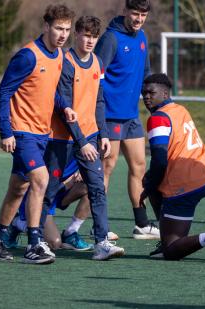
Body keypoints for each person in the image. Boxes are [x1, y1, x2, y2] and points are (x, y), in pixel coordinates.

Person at [0, 4, 77, 264]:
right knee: (40, 179)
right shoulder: (28, 56)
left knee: (19, 188)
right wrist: (5, 132)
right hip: (22, 131)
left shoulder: (60, 55)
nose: (63, 34)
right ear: (46, 27)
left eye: (67, 29)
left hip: (42, 132)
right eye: (58, 28)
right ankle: (33, 244)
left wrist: (65, 106)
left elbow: (49, 88)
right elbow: (4, 92)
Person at [46, 15, 124, 260]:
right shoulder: (66, 62)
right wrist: (82, 142)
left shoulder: (98, 62)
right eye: (86, 35)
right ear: (76, 34)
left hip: (89, 136)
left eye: (94, 36)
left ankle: (101, 242)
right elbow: (65, 107)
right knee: (46, 191)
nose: (90, 41)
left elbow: (99, 101)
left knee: (97, 188)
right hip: (63, 139)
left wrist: (103, 134)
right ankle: (25, 231)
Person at [139, 73, 205, 263]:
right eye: (144, 93)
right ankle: (167, 233)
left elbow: (159, 159)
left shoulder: (157, 118)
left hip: (185, 184)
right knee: (152, 183)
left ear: (165, 94)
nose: (146, 97)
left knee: (171, 250)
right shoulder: (179, 109)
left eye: (151, 92)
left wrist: (148, 187)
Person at [95, 0, 158, 239]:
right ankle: (99, 226)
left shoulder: (142, 37)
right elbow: (96, 74)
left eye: (143, 15)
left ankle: (141, 224)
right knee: (107, 168)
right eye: (135, 14)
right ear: (125, 12)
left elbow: (146, 74)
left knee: (139, 166)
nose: (139, 19)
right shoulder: (110, 39)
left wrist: (153, 102)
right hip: (110, 116)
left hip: (131, 116)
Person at [7, 160, 92, 251]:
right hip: (42, 198)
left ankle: (70, 233)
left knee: (93, 187)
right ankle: (17, 222)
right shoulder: (50, 148)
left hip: (60, 191)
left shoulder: (82, 147)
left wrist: (83, 172)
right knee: (54, 243)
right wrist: (68, 182)